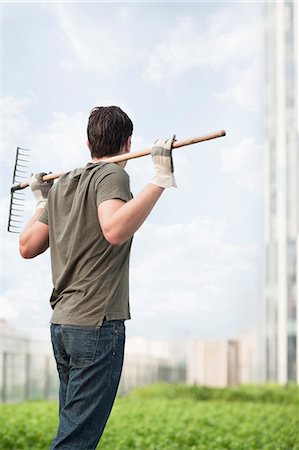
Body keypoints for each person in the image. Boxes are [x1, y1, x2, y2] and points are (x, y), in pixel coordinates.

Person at [19, 105, 177, 450]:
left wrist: (41, 202)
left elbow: (27, 245)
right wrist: (159, 179)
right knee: (75, 441)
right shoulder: (112, 176)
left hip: (63, 326)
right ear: (128, 143)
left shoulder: (62, 186)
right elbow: (115, 228)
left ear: (89, 142)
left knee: (71, 429)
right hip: (95, 325)